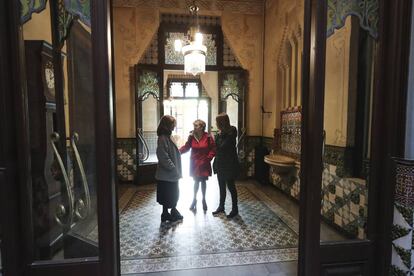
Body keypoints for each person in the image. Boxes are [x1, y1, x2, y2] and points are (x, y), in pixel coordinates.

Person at [179, 119, 216, 211]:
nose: (194, 128)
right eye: (194, 126)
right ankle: (194, 199)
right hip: (194, 163)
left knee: (203, 181)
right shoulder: (191, 137)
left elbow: (213, 149)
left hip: (204, 162)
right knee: (195, 182)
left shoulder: (208, 137)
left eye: (196, 126)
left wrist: (209, 158)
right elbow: (187, 147)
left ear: (202, 127)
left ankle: (204, 199)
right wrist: (177, 152)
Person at [155, 115, 183, 222]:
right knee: (168, 194)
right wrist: (172, 167)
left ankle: (172, 211)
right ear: (167, 125)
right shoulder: (163, 138)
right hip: (167, 174)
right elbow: (162, 156)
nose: (174, 126)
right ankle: (166, 213)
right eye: (172, 124)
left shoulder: (168, 136)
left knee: (173, 193)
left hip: (171, 174)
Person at [212, 113, 240, 219]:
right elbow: (217, 147)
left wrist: (218, 138)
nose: (216, 124)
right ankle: (221, 206)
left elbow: (223, 146)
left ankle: (235, 209)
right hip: (220, 162)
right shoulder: (220, 134)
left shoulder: (232, 130)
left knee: (231, 186)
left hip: (229, 163)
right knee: (221, 186)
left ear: (222, 122)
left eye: (217, 122)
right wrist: (218, 138)